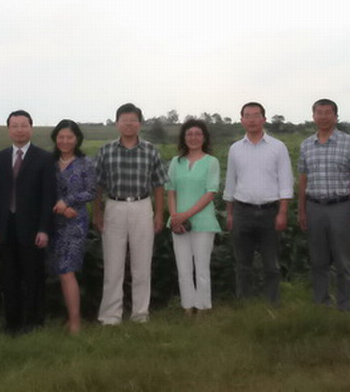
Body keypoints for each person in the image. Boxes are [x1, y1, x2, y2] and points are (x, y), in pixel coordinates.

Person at [93, 103, 168, 325]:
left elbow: (159, 185)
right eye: (124, 120)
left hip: (142, 206)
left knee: (142, 265)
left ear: (140, 124)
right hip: (114, 207)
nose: (128, 124)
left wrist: (159, 214)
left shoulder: (151, 150)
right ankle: (110, 315)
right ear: (117, 123)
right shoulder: (106, 151)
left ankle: (140, 314)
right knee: (113, 265)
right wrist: (97, 212)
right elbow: (98, 185)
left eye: (133, 120)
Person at [0, 110, 56, 334]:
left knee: (34, 277)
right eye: (14, 126)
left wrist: (44, 229)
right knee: (9, 277)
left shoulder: (44, 158)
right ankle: (12, 323)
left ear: (31, 128)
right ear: (8, 129)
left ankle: (34, 322)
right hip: (6, 227)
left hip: (33, 229)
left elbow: (48, 197)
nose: (19, 130)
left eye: (24, 125)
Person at [223, 102, 293, 305]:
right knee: (243, 264)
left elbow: (285, 182)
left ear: (264, 119)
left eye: (256, 115)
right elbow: (230, 182)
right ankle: (245, 304)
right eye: (247, 116)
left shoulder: (278, 147)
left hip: (270, 212)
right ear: (242, 120)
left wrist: (282, 212)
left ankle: (273, 303)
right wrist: (229, 214)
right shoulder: (235, 149)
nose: (252, 120)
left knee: (271, 264)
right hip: (242, 211)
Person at [297, 98, 350, 311]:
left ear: (335, 117)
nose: (323, 117)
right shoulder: (306, 145)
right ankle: (322, 305)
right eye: (319, 112)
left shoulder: (349, 142)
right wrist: (301, 210)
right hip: (314, 207)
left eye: (328, 113)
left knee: (344, 261)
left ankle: (346, 306)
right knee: (318, 260)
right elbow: (303, 180)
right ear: (313, 116)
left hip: (340, 207)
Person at [166, 119, 221, 315]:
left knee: (202, 268)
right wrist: (175, 218)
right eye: (189, 134)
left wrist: (186, 215)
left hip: (203, 222)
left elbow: (210, 193)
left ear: (204, 138)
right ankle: (188, 307)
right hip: (178, 223)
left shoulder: (211, 162)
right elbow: (171, 191)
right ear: (184, 138)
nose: (193, 138)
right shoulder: (176, 162)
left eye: (198, 134)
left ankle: (203, 307)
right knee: (183, 268)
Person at [49, 119, 96, 334]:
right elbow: (43, 190)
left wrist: (67, 202)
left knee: (67, 270)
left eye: (69, 137)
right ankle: (69, 317)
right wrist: (59, 207)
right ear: (55, 138)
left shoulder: (86, 163)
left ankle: (76, 321)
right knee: (60, 270)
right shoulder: (49, 162)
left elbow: (91, 191)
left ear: (77, 139)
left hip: (75, 222)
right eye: (61, 137)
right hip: (53, 221)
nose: (65, 141)